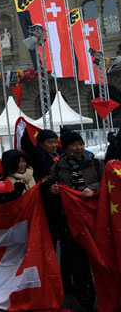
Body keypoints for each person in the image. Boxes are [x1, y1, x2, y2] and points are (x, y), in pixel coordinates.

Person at [47, 131, 100, 311]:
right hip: (70, 221)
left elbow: (105, 183)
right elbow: (48, 185)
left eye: (81, 144)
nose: (79, 148)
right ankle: (86, 301)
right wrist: (51, 189)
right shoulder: (58, 167)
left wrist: (92, 189)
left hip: (94, 220)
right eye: (75, 145)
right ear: (66, 147)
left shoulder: (95, 162)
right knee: (78, 262)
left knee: (100, 259)